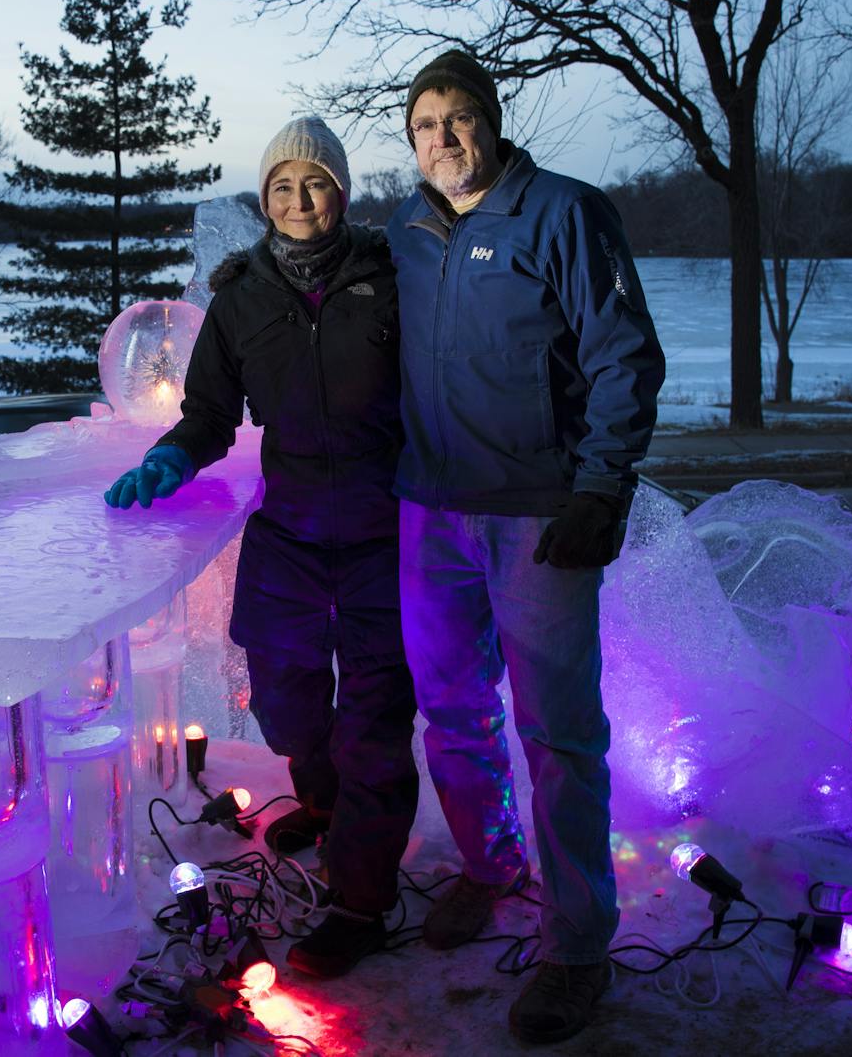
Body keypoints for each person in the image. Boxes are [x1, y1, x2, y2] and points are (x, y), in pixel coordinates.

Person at [387, 51, 665, 1044]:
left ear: (493, 124)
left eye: (459, 119)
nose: (443, 139)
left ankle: (577, 942)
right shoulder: (404, 235)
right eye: (425, 125)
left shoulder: (562, 212)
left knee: (556, 732)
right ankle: (489, 863)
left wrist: (600, 486)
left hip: (537, 516)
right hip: (431, 512)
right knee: (451, 709)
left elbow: (621, 355)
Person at [104, 117, 418, 979]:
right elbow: (209, 412)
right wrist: (170, 455)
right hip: (289, 530)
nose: (299, 200)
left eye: (315, 184)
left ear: (341, 194)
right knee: (284, 704)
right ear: (266, 198)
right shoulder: (242, 296)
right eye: (283, 185)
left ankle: (361, 901)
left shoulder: (393, 279)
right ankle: (324, 804)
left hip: (381, 529)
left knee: (376, 724)